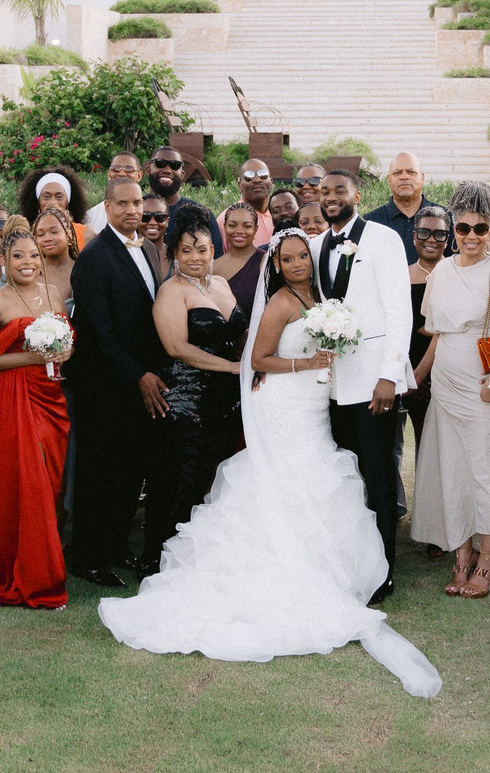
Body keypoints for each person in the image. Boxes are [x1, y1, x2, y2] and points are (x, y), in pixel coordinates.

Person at [99, 229, 442, 697]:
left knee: (315, 476)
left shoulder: (320, 297)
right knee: (285, 478)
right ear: (276, 264)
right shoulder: (280, 302)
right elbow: (258, 359)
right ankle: (277, 565)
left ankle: (320, 568)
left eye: (304, 256)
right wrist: (306, 364)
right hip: (283, 402)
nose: (298, 263)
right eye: (289, 258)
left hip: (314, 402)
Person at [410, 184, 490, 600]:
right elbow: (438, 334)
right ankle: (461, 554)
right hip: (445, 385)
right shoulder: (442, 271)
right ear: (453, 229)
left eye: (481, 228)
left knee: (485, 471)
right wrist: (418, 376)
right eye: (463, 228)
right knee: (453, 471)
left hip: (483, 387)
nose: (471, 236)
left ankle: (489, 558)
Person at [315, 168, 416, 600]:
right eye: (324, 191)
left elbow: (399, 312)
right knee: (345, 477)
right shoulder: (316, 244)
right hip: (332, 384)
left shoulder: (383, 239)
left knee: (377, 476)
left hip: (374, 382)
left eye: (339, 190)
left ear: (356, 195)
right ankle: (351, 562)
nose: (331, 196)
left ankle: (382, 571)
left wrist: (389, 375)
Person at [68, 178, 172, 586]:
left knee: (129, 472)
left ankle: (114, 547)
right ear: (107, 207)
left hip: (136, 383)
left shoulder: (146, 248)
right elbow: (97, 330)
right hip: (104, 386)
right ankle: (88, 557)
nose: (133, 210)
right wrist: (138, 375)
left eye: (137, 203)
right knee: (100, 473)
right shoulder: (94, 257)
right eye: (123, 204)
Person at [0, 226, 76, 608]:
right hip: (13, 395)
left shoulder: (53, 293)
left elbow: (67, 340)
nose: (27, 262)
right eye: (18, 256)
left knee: (49, 482)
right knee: (25, 482)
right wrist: (29, 358)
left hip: (51, 394)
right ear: (4, 260)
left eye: (33, 255)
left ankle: (43, 562)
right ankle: (25, 574)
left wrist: (64, 352)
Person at [147, 203, 248, 563]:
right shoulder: (171, 291)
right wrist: (232, 368)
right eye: (186, 250)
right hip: (188, 401)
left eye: (201, 250)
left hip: (227, 402)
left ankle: (199, 557)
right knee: (181, 481)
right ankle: (159, 556)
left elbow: (237, 331)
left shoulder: (220, 284)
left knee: (214, 479)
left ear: (212, 250)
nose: (194, 257)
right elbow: (177, 347)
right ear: (175, 253)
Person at [401, 207, 452, 471]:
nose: (431, 239)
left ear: (448, 238)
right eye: (424, 232)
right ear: (414, 236)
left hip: (450, 368)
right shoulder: (400, 276)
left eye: (439, 234)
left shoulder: (457, 273)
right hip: (413, 374)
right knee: (424, 442)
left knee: (451, 444)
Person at [364, 150, 432, 250]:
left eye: (411, 172)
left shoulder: (444, 217)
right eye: (397, 173)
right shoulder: (371, 221)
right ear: (389, 179)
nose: (404, 177)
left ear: (422, 178)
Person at [216, 203, 263, 309]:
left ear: (255, 229)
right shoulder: (214, 267)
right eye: (232, 225)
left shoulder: (264, 262)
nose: (239, 231)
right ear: (224, 227)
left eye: (247, 226)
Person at [32, 208, 79, 310]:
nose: (47, 238)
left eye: (54, 232)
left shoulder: (82, 270)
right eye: (41, 234)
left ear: (69, 234)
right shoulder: (31, 273)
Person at [83, 152, 142, 232]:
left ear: (139, 175)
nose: (121, 173)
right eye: (116, 169)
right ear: (109, 174)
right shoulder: (91, 216)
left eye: (129, 169)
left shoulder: (150, 213)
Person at [236, 160, 278, 245]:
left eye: (263, 175)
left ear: (271, 182)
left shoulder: (282, 214)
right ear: (240, 185)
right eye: (249, 176)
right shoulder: (229, 220)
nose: (257, 180)